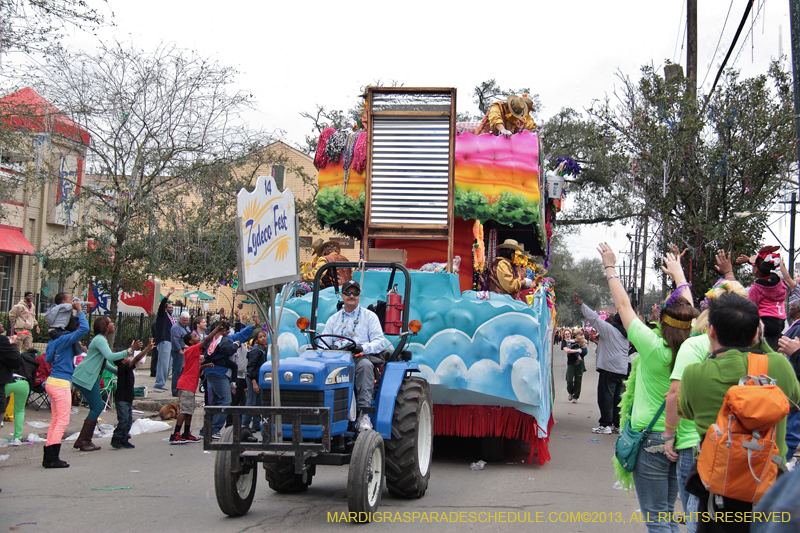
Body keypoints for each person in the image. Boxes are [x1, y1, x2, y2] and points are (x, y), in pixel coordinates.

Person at [678, 292, 800, 532]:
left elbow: (687, 413)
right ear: (757, 332)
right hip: (768, 485)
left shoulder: (694, 373)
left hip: (718, 491)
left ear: (710, 331)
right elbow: (795, 399)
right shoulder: (778, 366)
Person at [599, 243, 697, 532]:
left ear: (660, 322)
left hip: (651, 438)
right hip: (685, 438)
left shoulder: (653, 347)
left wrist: (610, 267)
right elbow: (688, 313)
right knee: (668, 512)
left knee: (657, 520)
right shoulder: (697, 346)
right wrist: (679, 276)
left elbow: (623, 306)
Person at [664, 256, 750, 533]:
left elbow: (676, 395)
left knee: (697, 511)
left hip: (698, 443)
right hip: (754, 449)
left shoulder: (695, 346)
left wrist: (669, 435)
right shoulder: (767, 361)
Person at [322, 279, 388, 432]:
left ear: (359, 295)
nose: (351, 296)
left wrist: (362, 348)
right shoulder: (334, 319)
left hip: (359, 358)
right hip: (337, 359)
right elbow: (324, 342)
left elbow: (379, 342)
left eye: (355, 293)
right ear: (342, 295)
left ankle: (364, 415)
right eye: (348, 293)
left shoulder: (370, 317)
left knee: (365, 366)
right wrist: (329, 348)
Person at [72, 316, 142, 452]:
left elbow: (103, 362)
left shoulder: (101, 340)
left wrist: (117, 372)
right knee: (97, 407)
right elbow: (110, 357)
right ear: (104, 326)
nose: (113, 324)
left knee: (95, 407)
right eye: (109, 322)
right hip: (86, 377)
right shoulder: (99, 339)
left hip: (88, 377)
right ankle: (82, 440)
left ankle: (85, 439)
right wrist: (129, 350)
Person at [574, 293, 630, 434]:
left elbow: (594, 319)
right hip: (622, 370)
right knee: (618, 399)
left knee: (606, 398)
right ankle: (616, 425)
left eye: (611, 317)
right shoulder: (627, 334)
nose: (608, 317)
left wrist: (582, 305)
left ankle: (605, 425)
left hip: (609, 370)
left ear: (615, 321)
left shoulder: (609, 330)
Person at [43, 300, 89, 468]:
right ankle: (52, 457)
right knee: (62, 420)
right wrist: (79, 311)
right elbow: (85, 329)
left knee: (56, 419)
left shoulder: (53, 341)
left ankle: (49, 454)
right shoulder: (65, 340)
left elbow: (48, 359)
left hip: (51, 381)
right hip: (61, 383)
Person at [201, 318, 260, 439]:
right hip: (217, 373)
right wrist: (235, 345)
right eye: (226, 330)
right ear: (220, 330)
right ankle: (214, 429)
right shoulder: (215, 340)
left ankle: (206, 430)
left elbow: (240, 335)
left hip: (219, 373)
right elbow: (229, 348)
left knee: (217, 402)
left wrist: (253, 326)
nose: (228, 332)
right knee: (226, 401)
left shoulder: (226, 339)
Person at [171, 326, 218, 444]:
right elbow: (207, 340)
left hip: (190, 385)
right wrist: (217, 328)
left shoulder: (194, 354)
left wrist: (204, 366)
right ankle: (176, 434)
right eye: (196, 337)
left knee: (189, 410)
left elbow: (194, 368)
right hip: (186, 384)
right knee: (184, 409)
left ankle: (186, 433)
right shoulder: (191, 349)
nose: (198, 338)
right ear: (191, 341)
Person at [735, 246, 787, 350]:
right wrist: (750, 261)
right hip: (780, 322)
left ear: (755, 269)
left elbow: (751, 306)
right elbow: (763, 266)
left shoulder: (757, 288)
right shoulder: (778, 282)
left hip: (765, 323)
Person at [111, 338, 154, 449]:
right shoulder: (123, 368)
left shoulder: (127, 368)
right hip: (122, 399)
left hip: (128, 398)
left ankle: (124, 439)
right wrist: (147, 349)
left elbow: (136, 359)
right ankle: (116, 438)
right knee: (123, 420)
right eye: (125, 358)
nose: (128, 358)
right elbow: (136, 358)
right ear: (121, 361)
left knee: (129, 421)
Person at [5, 347, 38, 446]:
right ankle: (17, 438)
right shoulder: (34, 363)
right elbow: (33, 379)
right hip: (24, 384)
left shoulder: (18, 357)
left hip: (10, 380)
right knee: (19, 411)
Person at [244, 330, 269, 432]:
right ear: (256, 340)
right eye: (260, 337)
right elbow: (250, 368)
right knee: (251, 401)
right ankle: (244, 424)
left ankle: (256, 424)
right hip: (253, 378)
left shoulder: (265, 350)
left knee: (259, 401)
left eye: (264, 336)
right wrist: (254, 382)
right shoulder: (256, 351)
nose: (263, 338)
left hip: (260, 379)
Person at [154, 287, 176, 391]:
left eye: (172, 308)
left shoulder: (171, 318)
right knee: (163, 363)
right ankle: (159, 382)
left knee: (168, 364)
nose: (171, 309)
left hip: (170, 341)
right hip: (164, 340)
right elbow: (162, 304)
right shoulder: (163, 315)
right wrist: (168, 294)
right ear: (166, 308)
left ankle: (162, 382)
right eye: (169, 307)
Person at [170, 311, 191, 396]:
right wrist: (179, 350)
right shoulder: (176, 327)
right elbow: (175, 340)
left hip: (185, 350)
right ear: (180, 319)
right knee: (177, 371)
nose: (185, 322)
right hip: (179, 351)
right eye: (184, 320)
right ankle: (175, 390)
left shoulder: (186, 327)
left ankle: (180, 388)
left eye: (187, 320)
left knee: (182, 371)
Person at [561, 329, 582, 403]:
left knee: (578, 380)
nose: (567, 335)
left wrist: (583, 347)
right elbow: (567, 350)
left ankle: (575, 397)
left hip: (579, 362)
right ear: (564, 336)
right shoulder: (564, 342)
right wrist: (577, 351)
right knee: (569, 379)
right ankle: (570, 392)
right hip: (570, 362)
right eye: (566, 334)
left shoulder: (575, 340)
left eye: (568, 333)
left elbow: (583, 345)